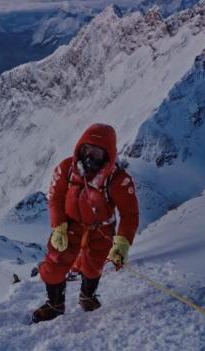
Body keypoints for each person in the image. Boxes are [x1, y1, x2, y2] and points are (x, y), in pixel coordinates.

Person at [32, 123, 140, 323]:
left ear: (108, 156)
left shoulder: (118, 180)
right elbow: (55, 198)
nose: (90, 156)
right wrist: (58, 226)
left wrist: (122, 243)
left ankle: (87, 296)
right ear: (79, 148)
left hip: (101, 230)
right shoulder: (66, 169)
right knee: (55, 262)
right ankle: (55, 305)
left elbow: (129, 214)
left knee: (93, 266)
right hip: (69, 227)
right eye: (87, 149)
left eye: (97, 152)